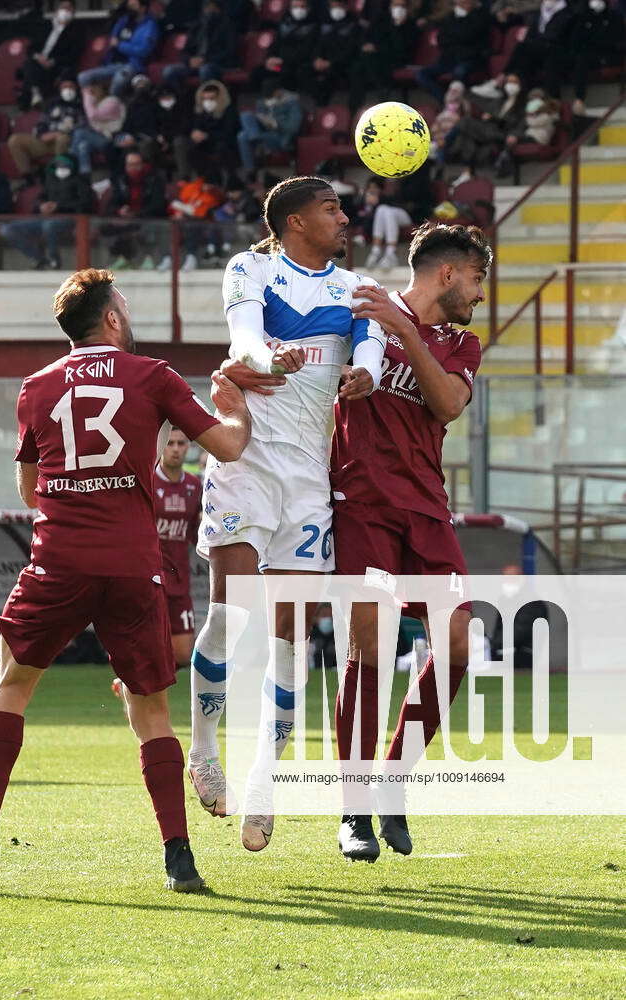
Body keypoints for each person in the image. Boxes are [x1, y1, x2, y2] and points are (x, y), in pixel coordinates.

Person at [0, 266, 251, 892]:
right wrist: (239, 413)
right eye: (126, 307)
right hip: (132, 565)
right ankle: (178, 858)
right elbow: (227, 447)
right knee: (151, 709)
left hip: (58, 558)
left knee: (13, 684)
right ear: (111, 319)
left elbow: (32, 490)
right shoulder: (153, 376)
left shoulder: (35, 387)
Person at [188, 175, 387, 852]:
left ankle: (264, 781)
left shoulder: (355, 288)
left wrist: (365, 373)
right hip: (246, 460)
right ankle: (206, 747)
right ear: (295, 221)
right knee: (229, 614)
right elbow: (243, 341)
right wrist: (265, 356)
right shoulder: (251, 267)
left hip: (308, 476)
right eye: (331, 208)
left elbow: (369, 351)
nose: (343, 216)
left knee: (290, 639)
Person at [331, 221, 491, 862]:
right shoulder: (361, 313)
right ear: (448, 273)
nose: (480, 294)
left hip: (427, 511)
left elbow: (448, 403)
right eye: (477, 279)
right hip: (361, 504)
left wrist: (405, 335)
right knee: (369, 649)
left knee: (457, 641)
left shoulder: (462, 344)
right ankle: (354, 810)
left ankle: (395, 779)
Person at [153, 428, 203, 668]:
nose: (175, 449)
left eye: (181, 444)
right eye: (170, 443)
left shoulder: (194, 486)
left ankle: (133, 684)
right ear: (161, 447)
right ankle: (138, 688)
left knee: (183, 654)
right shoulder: (148, 481)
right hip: (150, 578)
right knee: (150, 645)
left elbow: (195, 533)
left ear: (188, 448)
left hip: (180, 579)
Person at [1, 153, 93, 270]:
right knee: (8, 229)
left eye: (65, 165)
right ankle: (39, 259)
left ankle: (54, 260)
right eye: (58, 165)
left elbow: (85, 205)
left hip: (70, 219)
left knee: (49, 226)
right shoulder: (51, 181)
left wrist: (59, 206)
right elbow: (38, 200)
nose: (61, 168)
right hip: (45, 218)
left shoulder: (81, 182)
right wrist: (41, 206)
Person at [348, 0, 420, 112]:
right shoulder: (382, 19)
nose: (398, 8)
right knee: (358, 67)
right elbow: (369, 36)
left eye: (402, 6)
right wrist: (367, 45)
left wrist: (397, 26)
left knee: (365, 63)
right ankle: (354, 108)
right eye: (396, 5)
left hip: (398, 59)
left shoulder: (411, 24)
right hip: (379, 57)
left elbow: (402, 49)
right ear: (390, 6)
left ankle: (382, 90)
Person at [77, 0, 159, 98]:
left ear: (143, 8)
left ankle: (113, 108)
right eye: (129, 5)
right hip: (112, 63)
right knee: (84, 77)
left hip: (133, 65)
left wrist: (120, 45)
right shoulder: (123, 21)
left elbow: (143, 51)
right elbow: (112, 41)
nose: (130, 8)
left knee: (118, 81)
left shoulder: (150, 26)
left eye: (134, 5)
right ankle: (92, 110)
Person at [7, 79, 84, 181]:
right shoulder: (52, 104)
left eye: (71, 87)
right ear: (60, 90)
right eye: (65, 87)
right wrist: (42, 135)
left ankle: (60, 176)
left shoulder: (80, 105)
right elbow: (41, 123)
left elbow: (82, 127)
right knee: (15, 140)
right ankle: (27, 176)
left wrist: (59, 133)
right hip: (46, 140)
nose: (68, 90)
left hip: (66, 140)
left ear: (76, 89)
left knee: (62, 139)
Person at [415, 0, 490, 104]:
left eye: (466, 2)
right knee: (422, 74)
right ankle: (446, 102)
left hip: (469, 58)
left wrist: (453, 35)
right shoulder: (449, 17)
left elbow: (468, 35)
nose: (463, 4)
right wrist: (455, 37)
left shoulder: (481, 16)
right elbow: (441, 39)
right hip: (448, 59)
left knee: (459, 72)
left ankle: (452, 105)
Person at [104, 148, 168, 270]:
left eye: (136, 164)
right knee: (107, 227)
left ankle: (147, 259)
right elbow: (112, 204)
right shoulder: (121, 180)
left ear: (142, 164)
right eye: (130, 165)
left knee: (147, 228)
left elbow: (158, 205)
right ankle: (123, 259)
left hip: (148, 217)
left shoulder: (155, 180)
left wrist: (135, 214)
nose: (133, 168)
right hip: (127, 219)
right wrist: (120, 211)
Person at [18, 1, 84, 109]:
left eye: (69, 9)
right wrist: (38, 57)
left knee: (29, 70)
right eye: (63, 8)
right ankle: (35, 94)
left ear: (73, 13)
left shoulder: (77, 30)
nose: (65, 11)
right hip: (38, 62)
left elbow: (74, 54)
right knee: (30, 64)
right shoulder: (46, 26)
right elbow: (31, 49)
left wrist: (53, 61)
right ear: (57, 11)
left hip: (57, 65)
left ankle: (29, 97)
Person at [162, 0, 237, 89]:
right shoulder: (197, 26)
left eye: (211, 7)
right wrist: (189, 60)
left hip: (216, 64)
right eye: (206, 7)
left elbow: (230, 51)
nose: (209, 10)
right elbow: (184, 51)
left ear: (218, 9)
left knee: (205, 70)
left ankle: (205, 101)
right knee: (169, 71)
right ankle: (179, 99)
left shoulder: (227, 26)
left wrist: (205, 60)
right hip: (194, 63)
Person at [569, 0, 626, 115]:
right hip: (590, 55)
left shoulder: (614, 16)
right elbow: (576, 40)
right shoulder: (582, 16)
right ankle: (579, 99)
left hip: (610, 55)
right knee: (581, 60)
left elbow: (617, 39)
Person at [237, 80, 303, 175]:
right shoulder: (262, 102)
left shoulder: (292, 103)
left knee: (243, 136)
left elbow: (293, 127)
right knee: (245, 117)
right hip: (264, 133)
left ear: (278, 91)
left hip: (281, 137)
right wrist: (263, 119)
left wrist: (275, 123)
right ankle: (250, 168)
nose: (268, 98)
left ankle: (256, 141)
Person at [70, 83, 126, 178]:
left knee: (79, 133)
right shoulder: (95, 104)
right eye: (91, 91)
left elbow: (93, 115)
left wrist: (86, 95)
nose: (93, 92)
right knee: (83, 146)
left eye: (95, 90)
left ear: (103, 90)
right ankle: (85, 175)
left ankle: (71, 163)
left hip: (110, 139)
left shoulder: (112, 101)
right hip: (97, 137)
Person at [188, 79, 239, 177]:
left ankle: (229, 177)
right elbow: (197, 126)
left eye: (212, 98)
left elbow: (229, 133)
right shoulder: (201, 112)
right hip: (207, 143)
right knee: (192, 151)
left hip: (225, 143)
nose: (208, 102)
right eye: (205, 99)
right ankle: (202, 179)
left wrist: (207, 136)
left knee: (222, 149)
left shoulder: (229, 111)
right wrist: (195, 133)